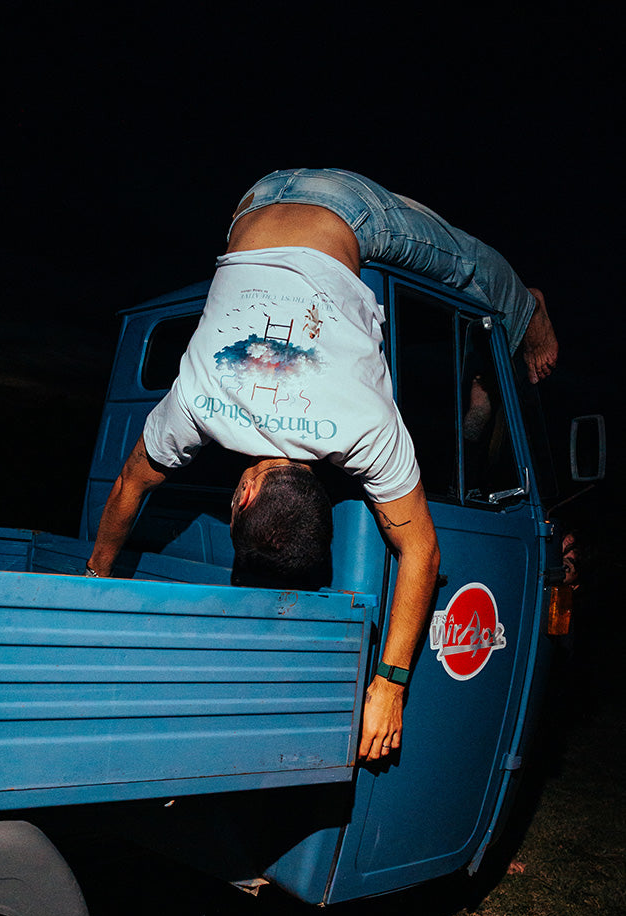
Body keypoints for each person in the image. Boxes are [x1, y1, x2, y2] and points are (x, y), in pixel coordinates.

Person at [86, 169, 558, 763]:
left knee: (469, 266)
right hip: (250, 207)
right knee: (463, 267)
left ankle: (524, 311)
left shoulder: (367, 429)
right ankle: (515, 331)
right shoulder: (197, 402)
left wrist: (388, 683)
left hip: (343, 214)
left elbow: (422, 553)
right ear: (245, 496)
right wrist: (387, 693)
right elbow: (131, 486)